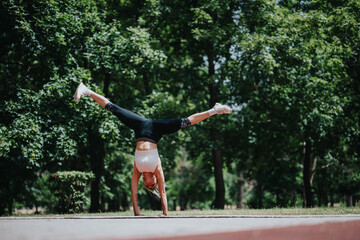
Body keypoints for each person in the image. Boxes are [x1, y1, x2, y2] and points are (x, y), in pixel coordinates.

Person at [74, 83, 232, 216]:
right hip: (156, 130)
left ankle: (87, 90)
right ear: (155, 181)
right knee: (185, 122)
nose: (148, 183)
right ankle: (214, 110)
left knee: (113, 109)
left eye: (146, 185)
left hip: (140, 127)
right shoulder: (157, 168)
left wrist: (136, 213)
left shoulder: (138, 170)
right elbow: (163, 192)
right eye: (151, 186)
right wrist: (165, 213)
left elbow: (133, 194)